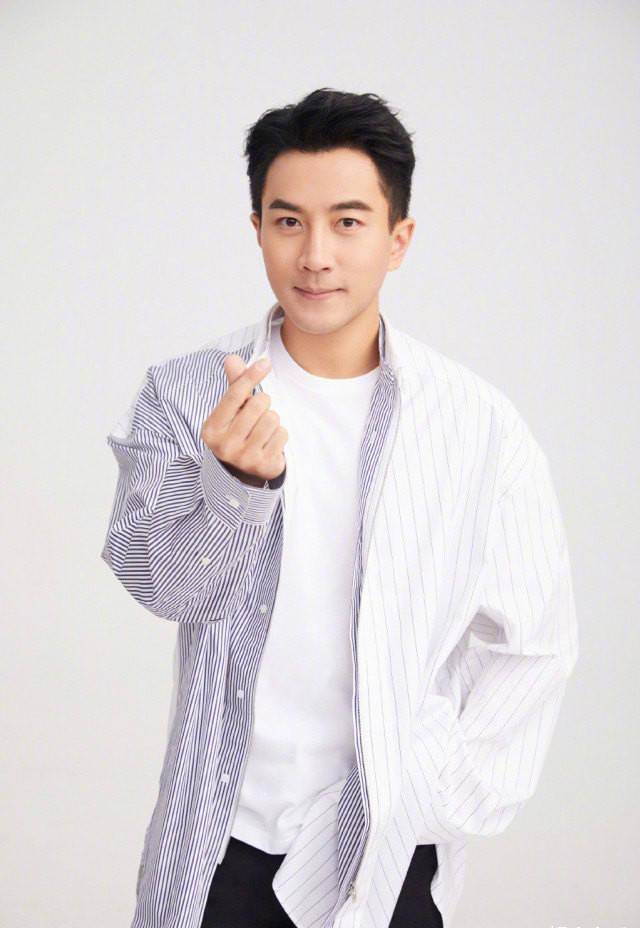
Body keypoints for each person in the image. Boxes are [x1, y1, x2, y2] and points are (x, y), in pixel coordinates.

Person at [101, 88, 579, 928]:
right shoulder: (186, 394)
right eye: (289, 221)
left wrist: (430, 787)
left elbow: (537, 643)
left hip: (385, 855)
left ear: (398, 239)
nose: (315, 255)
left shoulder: (477, 426)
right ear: (257, 228)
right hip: (218, 851)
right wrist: (236, 488)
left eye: (348, 222)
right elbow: (162, 587)